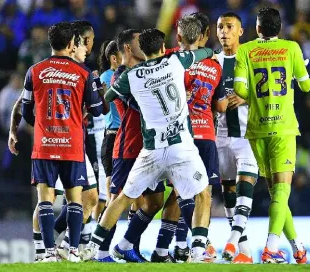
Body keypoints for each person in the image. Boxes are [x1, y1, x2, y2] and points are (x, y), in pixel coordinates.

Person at [81, 28, 215, 263]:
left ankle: (95, 246)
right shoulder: (175, 61)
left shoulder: (130, 76)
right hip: (178, 146)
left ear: (142, 48)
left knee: (128, 198)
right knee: (202, 193)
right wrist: (208, 51)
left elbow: (109, 96)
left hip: (151, 149)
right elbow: (202, 52)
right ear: (163, 48)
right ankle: (197, 250)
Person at [21, 22, 105, 262]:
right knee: (75, 198)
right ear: (71, 44)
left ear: (51, 43)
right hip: (72, 144)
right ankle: (74, 250)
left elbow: (27, 111)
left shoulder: (34, 71)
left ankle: (47, 254)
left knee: (45, 199)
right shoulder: (83, 73)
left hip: (45, 143)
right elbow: (97, 110)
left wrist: (41, 125)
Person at [232, 7, 310, 264]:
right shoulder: (292, 48)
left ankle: (297, 247)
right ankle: (270, 249)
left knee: (277, 192)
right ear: (280, 28)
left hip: (257, 129)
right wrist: (300, 71)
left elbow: (239, 89)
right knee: (282, 192)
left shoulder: (245, 51)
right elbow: (306, 85)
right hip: (284, 127)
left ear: (257, 28)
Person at [151, 13, 228, 263]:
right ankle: (198, 248)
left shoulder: (168, 59)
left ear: (179, 35)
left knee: (176, 193)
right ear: (204, 36)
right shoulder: (215, 65)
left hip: (177, 136)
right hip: (205, 134)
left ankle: (164, 249)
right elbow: (221, 106)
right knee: (202, 193)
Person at [94, 29, 165, 263]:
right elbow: (141, 105)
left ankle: (125, 246)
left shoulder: (142, 71)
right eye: (137, 41)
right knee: (118, 199)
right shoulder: (120, 76)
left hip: (148, 147)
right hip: (127, 146)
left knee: (154, 202)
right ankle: (100, 251)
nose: (142, 44)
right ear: (127, 48)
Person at [215, 12, 258, 264]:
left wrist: (245, 97)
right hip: (221, 135)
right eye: (220, 27)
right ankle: (245, 250)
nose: (224, 31)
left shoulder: (251, 59)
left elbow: (268, 93)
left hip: (246, 135)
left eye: (229, 27)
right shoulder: (213, 62)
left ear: (241, 32)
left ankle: (231, 240)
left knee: (245, 185)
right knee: (229, 190)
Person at [96, 39, 122, 219]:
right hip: (114, 136)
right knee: (111, 193)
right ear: (114, 58)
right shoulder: (106, 78)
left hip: (127, 136)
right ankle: (101, 234)